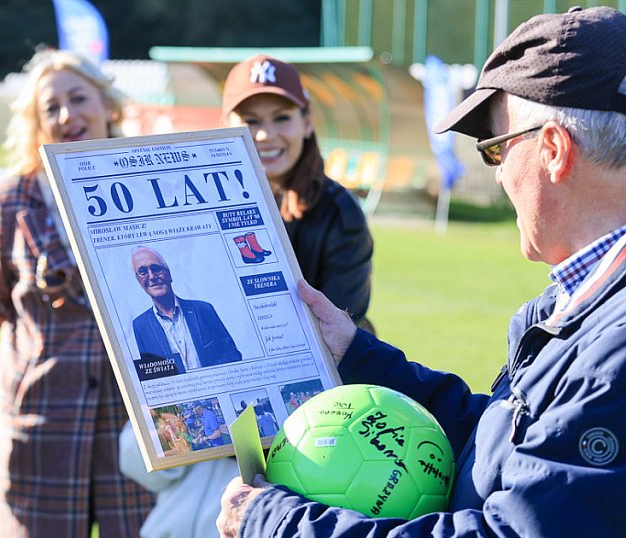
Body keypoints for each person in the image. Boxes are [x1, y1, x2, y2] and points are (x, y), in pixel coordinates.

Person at [217, 7, 626, 537]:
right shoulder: (573, 302)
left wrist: (276, 522)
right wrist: (356, 354)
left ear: (553, 150)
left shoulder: (614, 345)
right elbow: (504, 446)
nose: (498, 175)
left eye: (496, 149)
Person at [0, 48, 154, 537]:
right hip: (42, 420)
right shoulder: (10, 198)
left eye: (78, 99)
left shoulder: (150, 185)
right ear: (36, 123)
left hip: (136, 426)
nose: (68, 115)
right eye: (51, 108)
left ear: (108, 105)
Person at [222, 54, 373, 329]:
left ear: (307, 122)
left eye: (281, 118)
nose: (265, 135)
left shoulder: (340, 214)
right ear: (225, 125)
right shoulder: (200, 206)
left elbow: (343, 330)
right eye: (251, 120)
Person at [131, 246, 241, 371]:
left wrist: (207, 377)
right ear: (139, 281)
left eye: (156, 269)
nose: (151, 276)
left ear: (169, 274)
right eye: (143, 272)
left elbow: (233, 355)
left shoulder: (204, 310)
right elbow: (151, 373)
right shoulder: (140, 326)